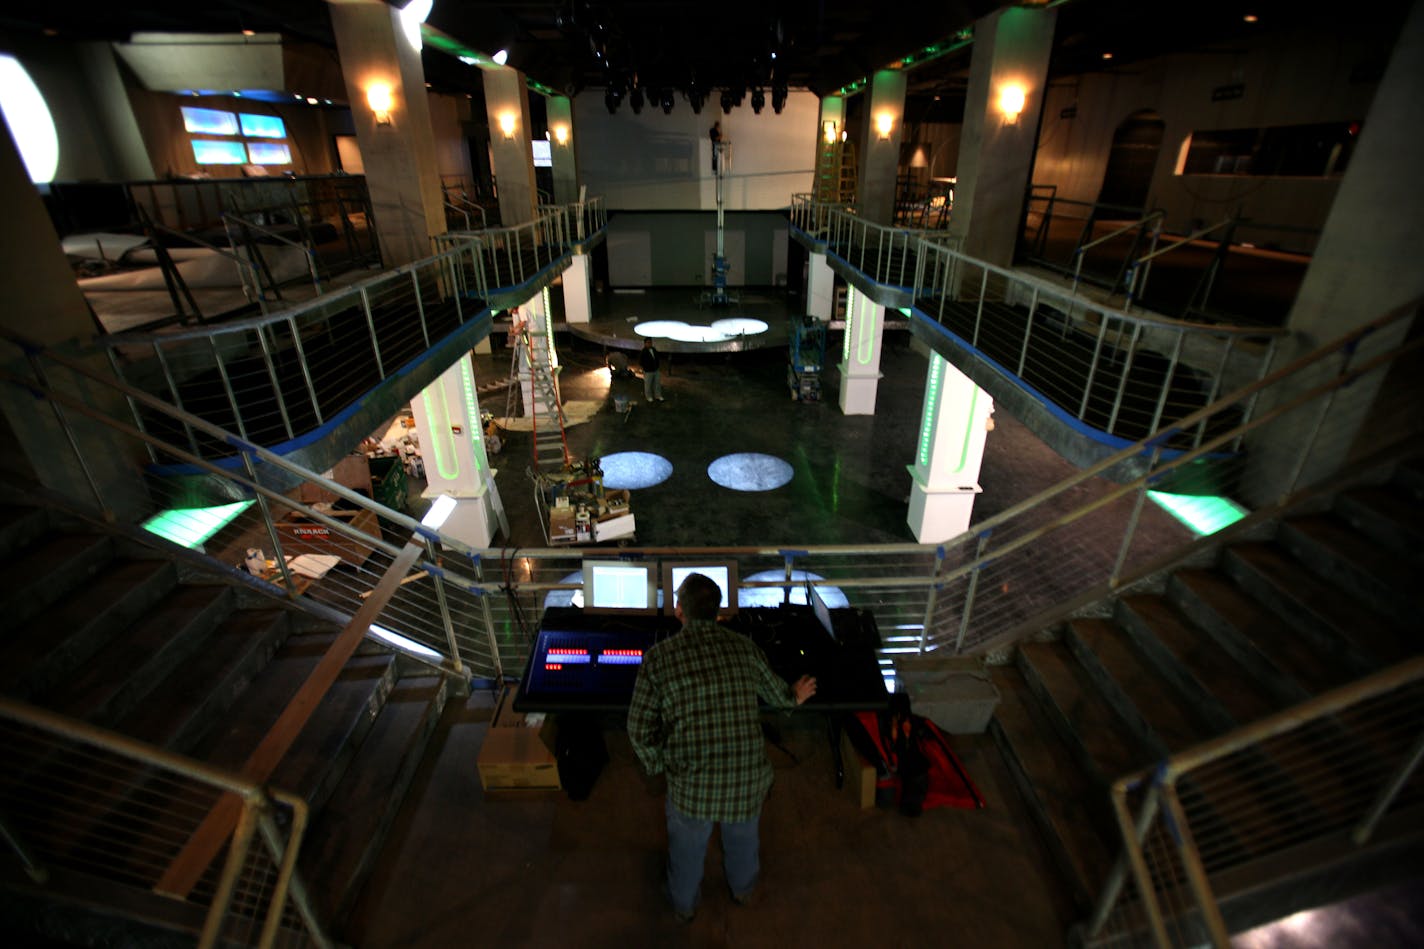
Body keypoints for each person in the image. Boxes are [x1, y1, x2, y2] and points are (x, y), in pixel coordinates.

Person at [627, 573, 817, 922]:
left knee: (686, 851)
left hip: (691, 787)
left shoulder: (657, 659)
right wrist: (795, 696)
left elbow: (638, 728)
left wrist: (660, 765)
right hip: (746, 783)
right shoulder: (745, 648)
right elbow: (779, 696)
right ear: (719, 613)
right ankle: (743, 890)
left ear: (679, 611)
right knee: (744, 840)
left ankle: (683, 905)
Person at [639, 338, 664, 402]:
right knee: (648, 384)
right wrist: (645, 369)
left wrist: (658, 366)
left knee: (657, 383)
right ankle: (648, 396)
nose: (650, 344)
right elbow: (641, 362)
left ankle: (658, 395)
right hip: (648, 371)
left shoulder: (653, 349)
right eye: (648, 342)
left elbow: (657, 358)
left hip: (656, 369)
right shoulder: (643, 351)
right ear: (645, 343)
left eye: (650, 342)